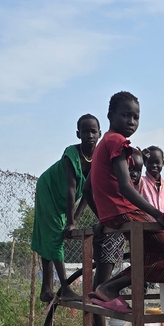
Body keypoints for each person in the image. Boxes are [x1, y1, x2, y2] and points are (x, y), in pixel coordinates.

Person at [85, 92, 164, 313]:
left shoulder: (102, 144)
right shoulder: (117, 141)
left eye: (136, 117)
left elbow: (87, 188)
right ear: (110, 115)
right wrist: (156, 213)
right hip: (126, 211)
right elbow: (125, 186)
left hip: (114, 214)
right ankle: (110, 287)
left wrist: (103, 217)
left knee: (150, 256)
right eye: (126, 115)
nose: (132, 122)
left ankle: (109, 287)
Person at [31, 113, 100, 301]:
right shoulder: (72, 154)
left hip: (61, 197)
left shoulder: (98, 158)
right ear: (78, 134)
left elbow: (88, 191)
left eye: (93, 131)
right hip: (48, 189)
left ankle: (46, 289)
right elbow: (71, 189)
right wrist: (70, 222)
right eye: (85, 132)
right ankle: (65, 287)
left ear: (100, 133)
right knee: (56, 234)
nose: (90, 136)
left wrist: (75, 220)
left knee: (52, 235)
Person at [139, 145, 164, 213]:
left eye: (157, 162)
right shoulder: (140, 182)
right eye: (150, 162)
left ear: (163, 163)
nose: (154, 165)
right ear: (145, 163)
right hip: (145, 223)